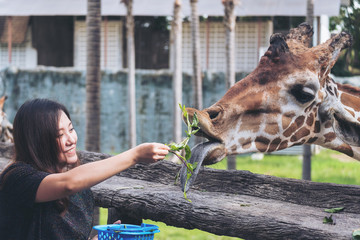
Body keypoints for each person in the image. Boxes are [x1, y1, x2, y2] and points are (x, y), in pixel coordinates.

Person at [0, 98, 169, 240]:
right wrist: (135, 156)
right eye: (59, 135)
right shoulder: (17, 177)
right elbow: (68, 183)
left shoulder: (81, 193)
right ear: (36, 142)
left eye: (71, 129)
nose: (71, 139)